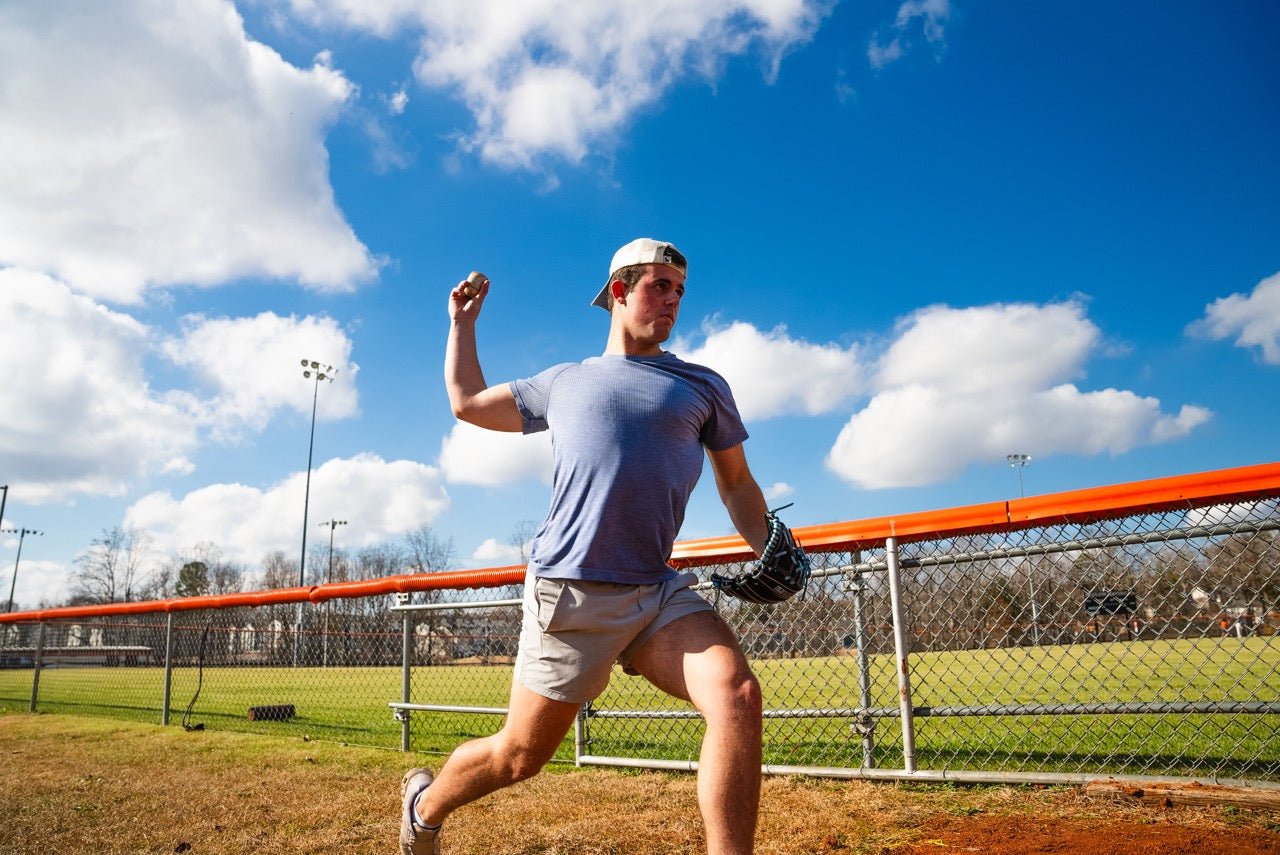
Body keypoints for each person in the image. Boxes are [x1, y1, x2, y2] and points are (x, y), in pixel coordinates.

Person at [401, 238, 771, 855]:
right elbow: (466, 403)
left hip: (656, 592)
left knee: (737, 693)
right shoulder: (564, 382)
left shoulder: (702, 385)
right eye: (659, 285)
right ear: (619, 291)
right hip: (569, 594)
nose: (674, 300)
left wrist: (766, 544)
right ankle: (424, 806)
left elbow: (736, 483)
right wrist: (461, 327)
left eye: (681, 290)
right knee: (518, 757)